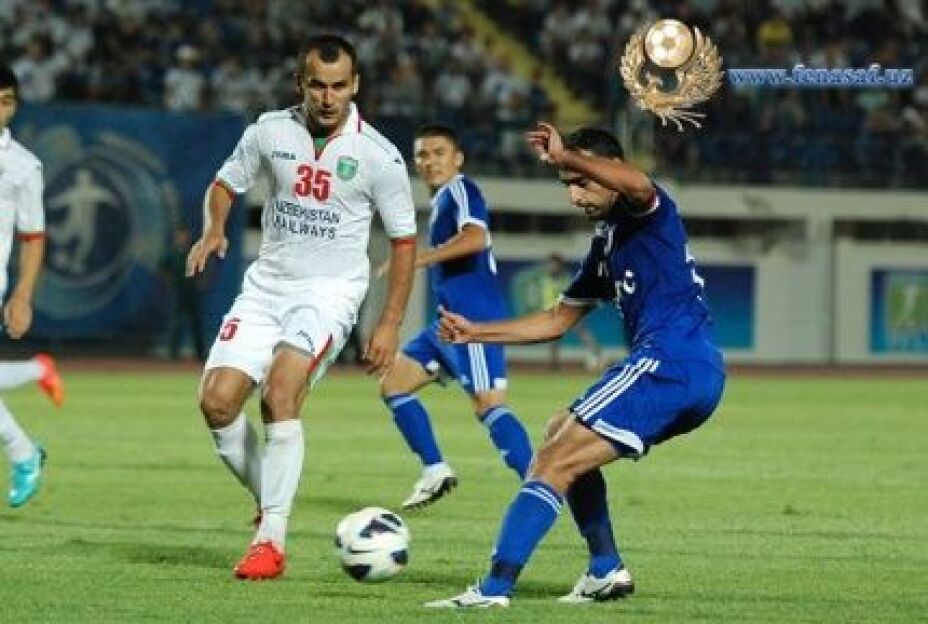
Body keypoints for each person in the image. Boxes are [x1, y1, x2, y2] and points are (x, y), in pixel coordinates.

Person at [426, 124, 726, 608]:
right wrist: (475, 331)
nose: (574, 196)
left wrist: (568, 156)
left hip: (672, 362)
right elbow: (557, 320)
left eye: (582, 182)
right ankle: (605, 570)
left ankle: (494, 589)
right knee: (559, 430)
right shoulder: (606, 247)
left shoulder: (648, 213)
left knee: (552, 461)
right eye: (567, 184)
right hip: (681, 369)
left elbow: (637, 184)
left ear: (609, 170)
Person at [185, 35, 417, 581]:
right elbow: (224, 183)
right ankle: (270, 495)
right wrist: (214, 227)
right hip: (267, 286)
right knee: (217, 402)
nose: (328, 97)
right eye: (318, 85)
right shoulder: (269, 131)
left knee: (281, 392)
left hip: (329, 294)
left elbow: (404, 241)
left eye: (339, 86)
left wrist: (388, 322)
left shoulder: (378, 155)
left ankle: (271, 542)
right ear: (300, 83)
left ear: (355, 85)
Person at [379, 123, 532, 510]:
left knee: (488, 403)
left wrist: (417, 259)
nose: (430, 161)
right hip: (447, 324)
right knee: (394, 383)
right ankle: (435, 470)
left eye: (439, 153)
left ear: (458, 158)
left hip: (472, 322)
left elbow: (475, 237)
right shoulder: (442, 202)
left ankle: (542, 484)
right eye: (422, 155)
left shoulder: (461, 191)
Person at [0, 62, 65, 508]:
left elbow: (33, 236)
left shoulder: (23, 166)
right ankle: (24, 451)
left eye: (6, 102)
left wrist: (22, 294)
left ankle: (23, 453)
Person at [538, 252, 603, 371]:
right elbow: (546, 299)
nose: (551, 266)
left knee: (584, 334)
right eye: (550, 264)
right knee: (553, 340)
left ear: (560, 265)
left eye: (554, 264)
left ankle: (597, 356)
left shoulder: (567, 278)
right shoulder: (546, 280)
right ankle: (554, 366)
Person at [160, 222, 206, 361]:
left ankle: (200, 353)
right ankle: (173, 353)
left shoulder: (194, 250)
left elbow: (207, 266)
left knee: (196, 322)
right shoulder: (171, 252)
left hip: (192, 290)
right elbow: (162, 268)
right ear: (175, 236)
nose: (182, 237)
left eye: (184, 234)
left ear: (188, 235)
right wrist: (169, 282)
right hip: (178, 290)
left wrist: (202, 281)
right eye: (179, 235)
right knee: (176, 322)